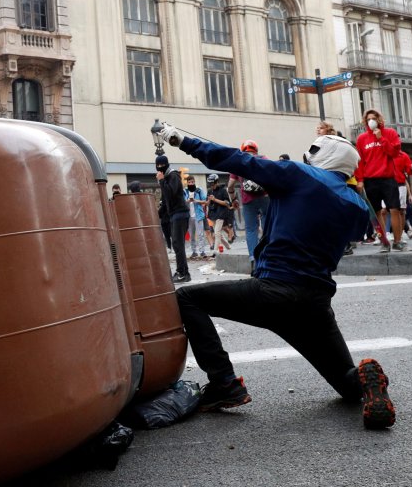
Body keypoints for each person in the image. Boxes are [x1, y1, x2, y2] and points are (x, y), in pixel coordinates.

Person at [155, 124, 396, 429]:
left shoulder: (299, 175)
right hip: (314, 304)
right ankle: (366, 381)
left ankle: (224, 383)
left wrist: (185, 142)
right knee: (347, 387)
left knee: (187, 297)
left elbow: (239, 160)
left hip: (274, 291)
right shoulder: (357, 207)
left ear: (324, 154)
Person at [356, 109, 405, 252]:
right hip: (370, 179)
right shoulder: (361, 139)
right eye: (368, 118)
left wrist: (381, 139)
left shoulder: (389, 133)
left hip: (388, 177)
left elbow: (395, 153)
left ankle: (397, 241)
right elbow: (360, 161)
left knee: (394, 209)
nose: (371, 121)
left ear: (379, 119)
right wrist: (360, 179)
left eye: (374, 118)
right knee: (376, 212)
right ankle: (384, 241)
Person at [227, 141, 269, 266]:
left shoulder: (237, 162)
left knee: (251, 230)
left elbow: (230, 186)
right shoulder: (263, 159)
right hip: (265, 197)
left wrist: (233, 199)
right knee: (267, 228)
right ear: (256, 149)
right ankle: (267, 257)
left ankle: (253, 259)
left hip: (248, 200)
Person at [156, 154, 191, 283]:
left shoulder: (173, 175)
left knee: (178, 244)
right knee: (177, 244)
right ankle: (183, 271)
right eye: (158, 166)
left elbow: (170, 193)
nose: (160, 168)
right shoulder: (166, 177)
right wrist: (157, 214)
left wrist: (161, 181)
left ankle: (183, 273)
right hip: (174, 215)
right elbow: (165, 201)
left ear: (166, 164)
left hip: (180, 214)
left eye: (161, 165)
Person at [206, 173, 232, 254]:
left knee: (216, 233)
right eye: (210, 184)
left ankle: (215, 251)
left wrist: (215, 199)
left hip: (221, 213)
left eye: (213, 184)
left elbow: (227, 203)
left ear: (217, 182)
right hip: (212, 214)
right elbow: (207, 203)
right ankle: (228, 246)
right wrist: (209, 200)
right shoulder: (209, 191)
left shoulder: (223, 190)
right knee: (218, 234)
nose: (211, 186)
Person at [185, 176, 209, 260]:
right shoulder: (185, 191)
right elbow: (182, 202)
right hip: (189, 217)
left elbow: (205, 201)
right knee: (192, 236)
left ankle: (202, 251)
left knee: (201, 234)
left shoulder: (199, 190)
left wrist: (196, 201)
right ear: (187, 183)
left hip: (198, 215)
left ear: (194, 182)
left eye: (192, 182)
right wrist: (188, 201)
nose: (191, 183)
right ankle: (194, 252)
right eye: (189, 182)